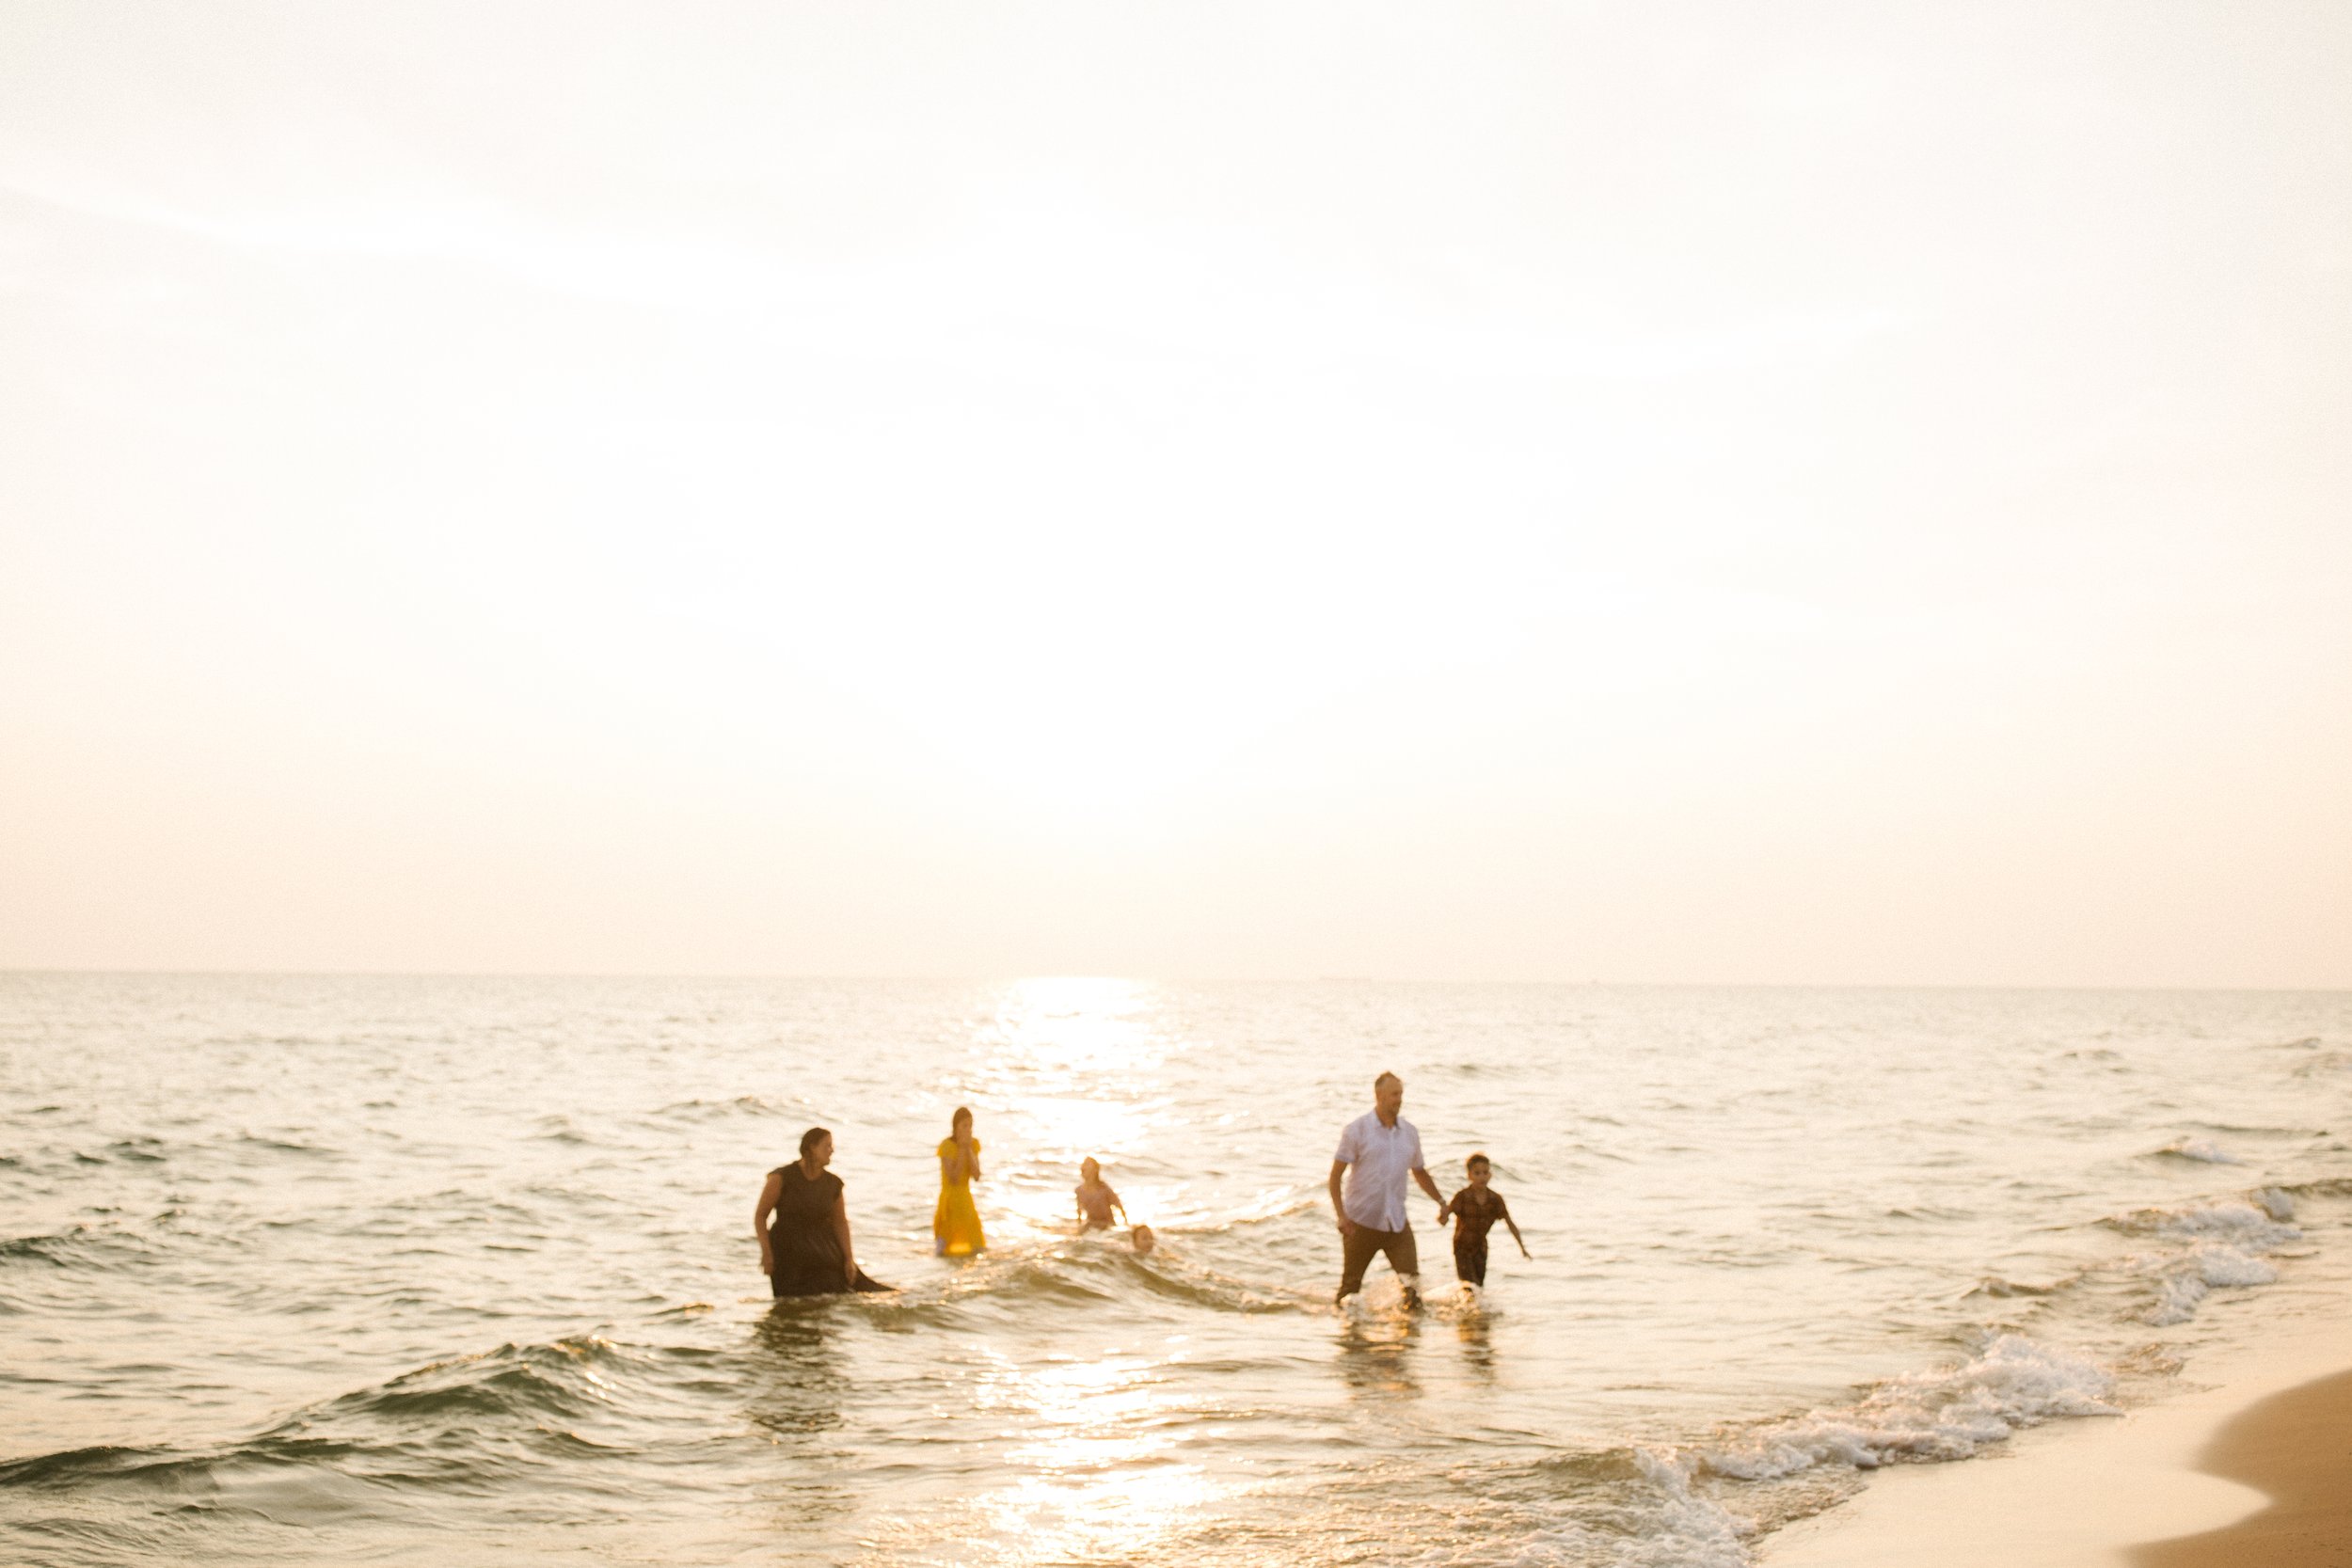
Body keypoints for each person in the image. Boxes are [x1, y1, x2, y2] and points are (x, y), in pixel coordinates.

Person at [1329, 1070, 1446, 1307]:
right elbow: (1335, 1177)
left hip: (1397, 1224)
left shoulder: (1410, 1133)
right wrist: (1341, 1216)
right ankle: (1347, 1340)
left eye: (1401, 1094)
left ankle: (1409, 1341)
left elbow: (1419, 1172)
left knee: (1413, 1291)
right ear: (1379, 1095)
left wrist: (1442, 1202)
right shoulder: (1357, 1130)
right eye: (1394, 1094)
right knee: (1349, 1291)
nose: (1399, 1099)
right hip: (1360, 1223)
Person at [755, 1127, 892, 1296]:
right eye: (827, 1146)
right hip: (787, 1253)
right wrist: (767, 1253)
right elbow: (760, 1216)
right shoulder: (781, 1178)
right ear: (812, 1147)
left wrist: (849, 1259)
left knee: (843, 1296)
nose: (832, 1150)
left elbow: (840, 1222)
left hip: (822, 1251)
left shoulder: (833, 1184)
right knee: (790, 1304)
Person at [1436, 1152, 1529, 1288]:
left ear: (1490, 1174)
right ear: (1469, 1176)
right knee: (1469, 1286)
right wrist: (1442, 1217)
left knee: (1479, 1286)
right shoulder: (1462, 1196)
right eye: (1477, 1173)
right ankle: (1470, 1308)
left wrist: (1522, 1247)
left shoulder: (1495, 1199)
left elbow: (1510, 1223)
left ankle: (1475, 1308)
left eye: (1485, 1172)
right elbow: (1445, 1217)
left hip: (1481, 1248)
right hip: (1462, 1247)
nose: (1482, 1177)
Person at [934, 1106, 986, 1257]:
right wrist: (962, 1149)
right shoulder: (947, 1146)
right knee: (943, 1251)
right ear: (955, 1126)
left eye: (970, 1125)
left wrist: (968, 1148)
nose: (968, 1129)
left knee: (976, 1248)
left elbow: (976, 1175)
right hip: (949, 1203)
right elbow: (954, 1178)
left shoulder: (973, 1144)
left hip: (966, 1203)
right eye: (964, 1125)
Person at [1074, 1157, 1127, 1233]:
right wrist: (1079, 1227)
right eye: (1083, 1164)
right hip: (1091, 1225)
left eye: (1087, 1164)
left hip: (1107, 1225)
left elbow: (1119, 1206)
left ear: (1096, 1170)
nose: (1083, 1166)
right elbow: (1079, 1212)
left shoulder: (1104, 1189)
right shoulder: (1079, 1190)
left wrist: (1126, 1224)